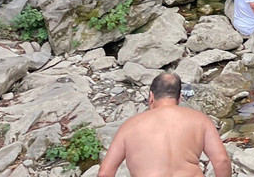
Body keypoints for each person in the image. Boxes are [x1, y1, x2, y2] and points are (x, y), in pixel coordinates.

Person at [96, 72, 231, 177]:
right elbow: (222, 161)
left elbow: (105, 173)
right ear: (180, 98)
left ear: (151, 97)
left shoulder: (130, 125)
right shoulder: (201, 120)